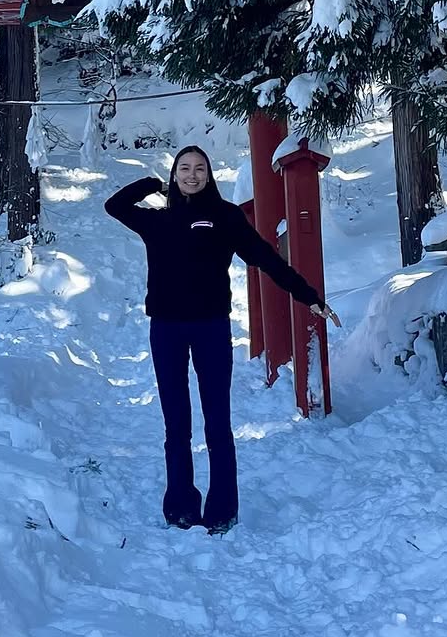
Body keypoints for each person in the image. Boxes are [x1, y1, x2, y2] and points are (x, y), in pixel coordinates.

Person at [105, 145, 341, 536]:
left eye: (200, 168)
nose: (192, 175)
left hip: (211, 328)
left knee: (217, 422)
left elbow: (268, 260)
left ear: (210, 174)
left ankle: (222, 510)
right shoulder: (157, 221)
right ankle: (180, 506)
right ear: (174, 173)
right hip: (166, 330)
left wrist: (310, 297)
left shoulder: (226, 218)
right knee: (176, 424)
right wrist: (151, 184)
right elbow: (115, 206)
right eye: (184, 168)